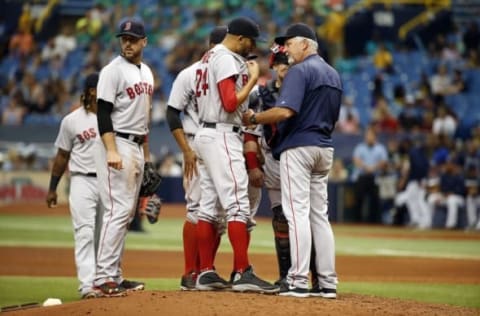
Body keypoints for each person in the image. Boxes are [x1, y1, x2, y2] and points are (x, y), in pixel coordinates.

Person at [242, 22, 341, 298]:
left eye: (291, 43)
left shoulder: (300, 71)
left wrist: (256, 118)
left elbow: (285, 112)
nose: (286, 48)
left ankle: (297, 280)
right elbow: (334, 116)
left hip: (299, 147)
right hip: (325, 147)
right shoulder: (333, 74)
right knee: (319, 217)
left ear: (306, 44)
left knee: (296, 214)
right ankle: (327, 282)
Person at [193, 16, 278, 294]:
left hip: (205, 133)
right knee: (238, 204)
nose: (253, 47)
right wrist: (253, 77)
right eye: (251, 41)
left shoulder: (208, 56)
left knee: (208, 207)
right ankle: (242, 272)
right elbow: (230, 102)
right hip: (222, 133)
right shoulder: (227, 58)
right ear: (240, 38)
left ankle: (205, 272)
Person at [93, 18, 154, 297]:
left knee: (126, 214)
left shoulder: (148, 73)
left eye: (132, 38)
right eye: (123, 38)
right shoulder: (112, 71)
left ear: (144, 42)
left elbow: (145, 120)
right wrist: (112, 150)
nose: (127, 43)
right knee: (117, 212)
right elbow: (103, 112)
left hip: (136, 144)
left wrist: (147, 157)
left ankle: (115, 275)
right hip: (116, 141)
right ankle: (103, 277)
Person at [166, 26, 228, 291]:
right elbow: (171, 113)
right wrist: (186, 150)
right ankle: (190, 272)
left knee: (218, 214)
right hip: (195, 141)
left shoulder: (223, 72)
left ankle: (205, 271)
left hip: (219, 142)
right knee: (196, 209)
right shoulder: (190, 73)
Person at [46, 73, 102, 299]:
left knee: (107, 235)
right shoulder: (72, 120)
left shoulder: (115, 117)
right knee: (85, 233)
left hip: (108, 180)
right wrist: (52, 188)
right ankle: (87, 285)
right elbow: (61, 156)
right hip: (81, 180)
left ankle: (105, 279)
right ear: (90, 91)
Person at [351, 127, 388, 223]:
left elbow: (384, 162)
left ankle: (373, 223)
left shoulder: (380, 148)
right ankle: (357, 222)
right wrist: (366, 167)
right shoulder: (360, 147)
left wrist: (373, 168)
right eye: (367, 135)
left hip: (375, 177)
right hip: (362, 176)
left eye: (371, 135)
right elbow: (356, 160)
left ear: (375, 137)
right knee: (358, 199)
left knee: (375, 201)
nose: (368, 137)